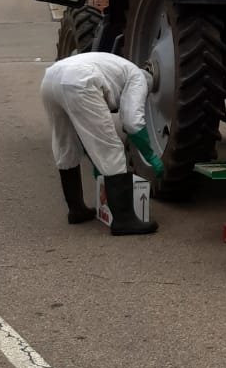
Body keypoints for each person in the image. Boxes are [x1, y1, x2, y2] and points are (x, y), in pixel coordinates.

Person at [40, 51, 165, 236]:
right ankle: (124, 220)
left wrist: (95, 158)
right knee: (112, 150)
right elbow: (132, 122)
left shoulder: (118, 67)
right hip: (80, 81)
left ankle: (76, 210)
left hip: (50, 79)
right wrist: (151, 156)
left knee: (66, 144)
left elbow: (86, 133)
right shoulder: (138, 78)